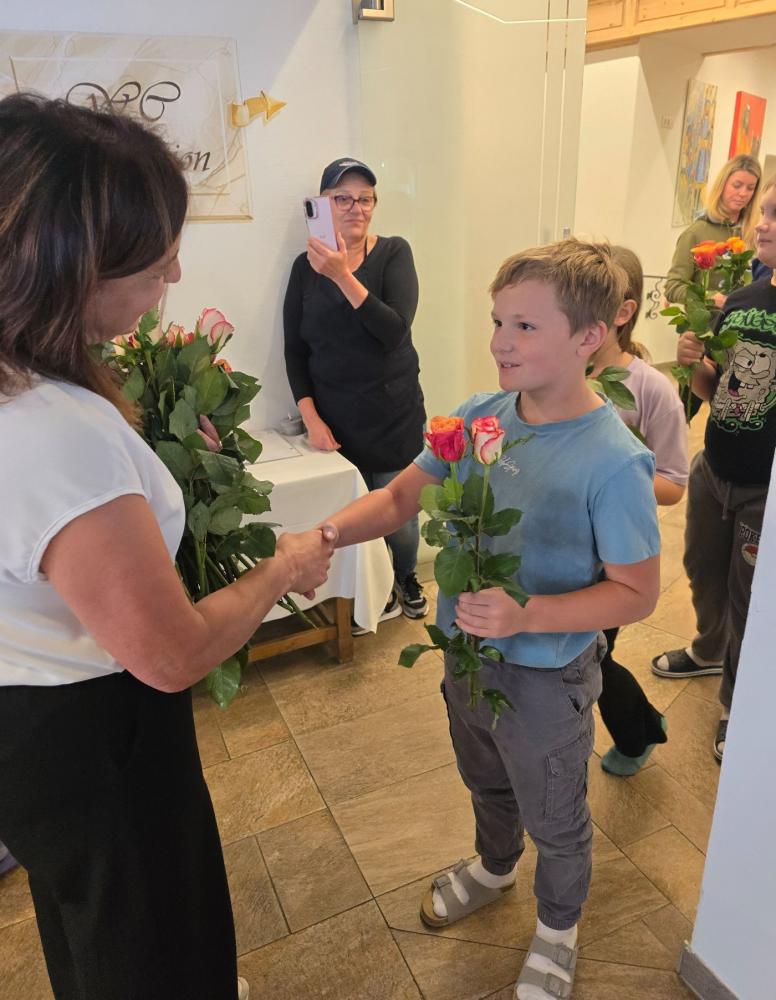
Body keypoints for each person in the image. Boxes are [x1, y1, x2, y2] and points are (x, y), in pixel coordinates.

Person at [0, 93, 334, 1000]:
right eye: (155, 263)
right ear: (66, 269)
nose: (176, 274)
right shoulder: (52, 433)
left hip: (28, 718)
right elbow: (170, 654)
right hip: (94, 731)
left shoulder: (26, 384)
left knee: (91, 921)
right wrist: (283, 568)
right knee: (150, 940)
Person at [321, 239, 660, 1000]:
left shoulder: (614, 461)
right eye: (498, 321)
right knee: (485, 775)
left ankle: (558, 929)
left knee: (556, 810)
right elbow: (402, 497)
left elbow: (637, 593)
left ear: (590, 336)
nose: (501, 341)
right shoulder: (479, 415)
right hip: (468, 655)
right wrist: (329, 533)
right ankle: (496, 865)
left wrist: (527, 614)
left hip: (547, 677)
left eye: (525, 326)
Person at [653, 175, 776, 762]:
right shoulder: (745, 301)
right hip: (714, 467)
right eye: (764, 212)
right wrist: (694, 364)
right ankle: (707, 650)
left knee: (749, 599)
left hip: (763, 487)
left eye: (773, 215)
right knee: (702, 571)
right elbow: (717, 388)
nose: (762, 224)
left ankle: (736, 704)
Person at [283, 157, 427, 629]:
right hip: (334, 420)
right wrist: (311, 419)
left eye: (365, 199)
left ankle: (404, 577)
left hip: (392, 414)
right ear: (322, 205)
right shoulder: (303, 270)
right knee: (352, 518)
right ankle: (371, 588)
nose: (356, 208)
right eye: (342, 198)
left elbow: (394, 332)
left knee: (399, 514)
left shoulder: (394, 253)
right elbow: (295, 351)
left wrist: (343, 274)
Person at [588, 246, 689, 776]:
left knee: (592, 655)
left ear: (622, 313)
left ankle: (637, 732)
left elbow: (673, 484)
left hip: (616, 553)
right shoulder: (558, 369)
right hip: (563, 541)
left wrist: (611, 479)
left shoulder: (652, 388)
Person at [666, 154, 762, 421]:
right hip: (704, 337)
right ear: (722, 185)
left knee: (732, 410)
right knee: (683, 412)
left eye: (750, 188)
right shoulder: (696, 232)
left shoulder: (754, 234)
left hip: (741, 341)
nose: (743, 194)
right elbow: (673, 286)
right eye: (737, 185)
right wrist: (711, 298)